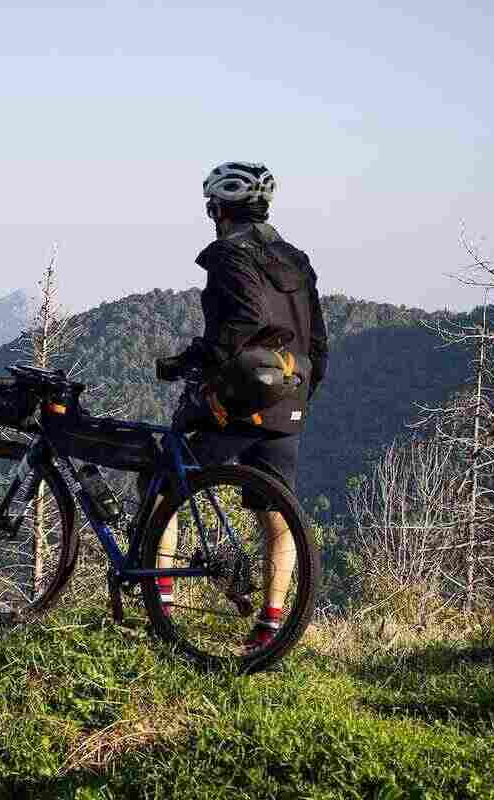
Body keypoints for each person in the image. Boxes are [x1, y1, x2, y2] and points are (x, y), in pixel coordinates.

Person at [155, 161, 329, 652]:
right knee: (276, 512)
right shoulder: (295, 258)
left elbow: (241, 322)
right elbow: (317, 340)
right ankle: (270, 625)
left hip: (239, 397)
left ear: (217, 209)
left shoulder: (230, 256)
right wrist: (300, 390)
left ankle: (160, 606)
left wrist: (194, 360)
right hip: (290, 394)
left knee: (164, 482)